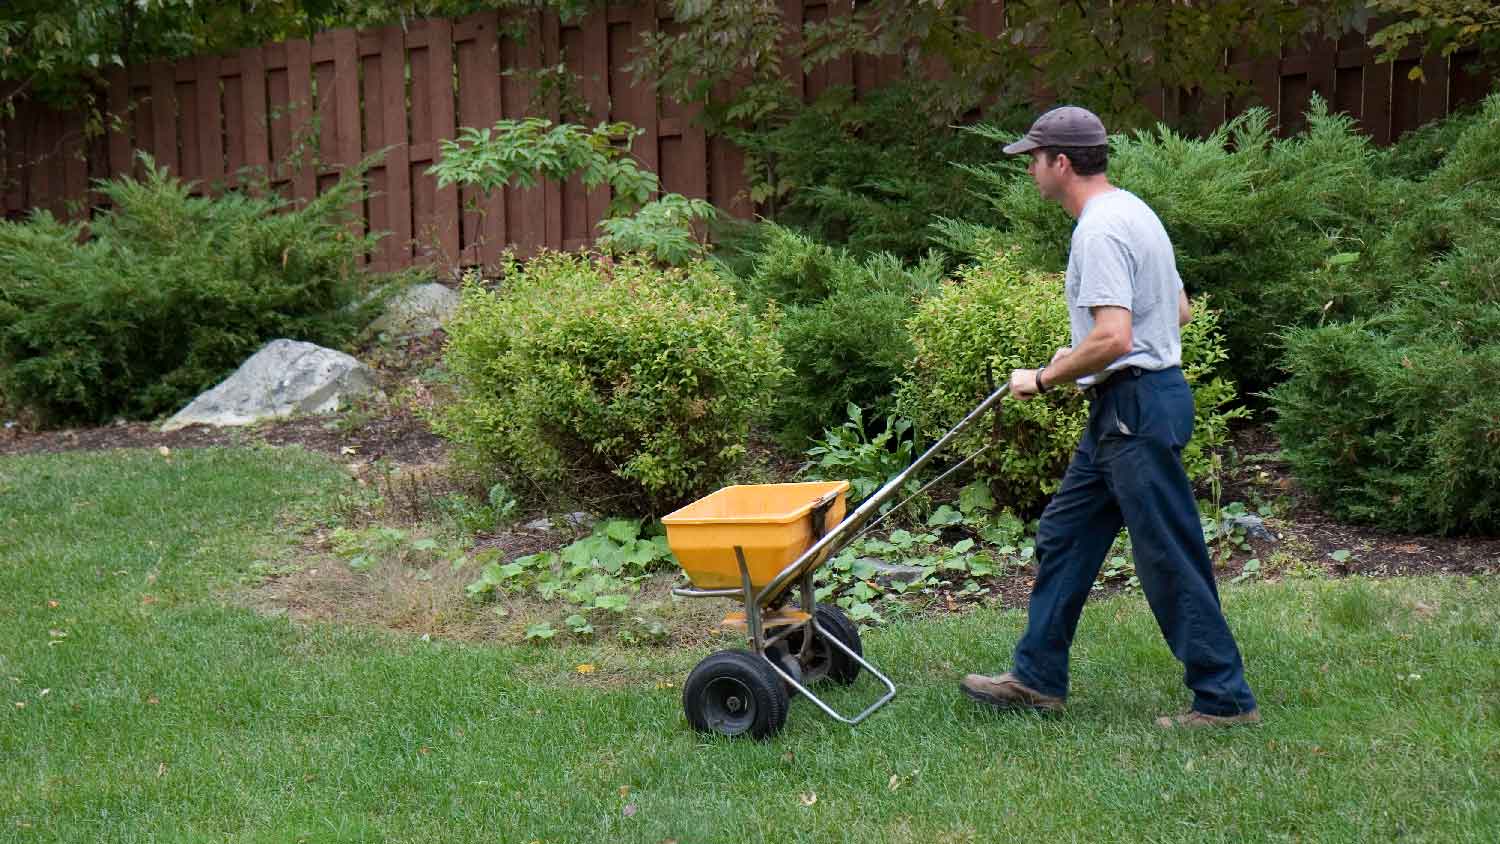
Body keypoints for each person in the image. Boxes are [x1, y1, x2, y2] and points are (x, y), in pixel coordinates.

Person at [959, 106, 1260, 728]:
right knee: (1066, 534)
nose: (1031, 171)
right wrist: (1090, 360)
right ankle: (1037, 677)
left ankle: (1224, 698)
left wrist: (1046, 376)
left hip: (1135, 408)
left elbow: (1116, 337)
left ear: (1061, 163)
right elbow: (1175, 310)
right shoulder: (1135, 211)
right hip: (1132, 404)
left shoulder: (1097, 230)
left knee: (1167, 556)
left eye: (1034, 160)